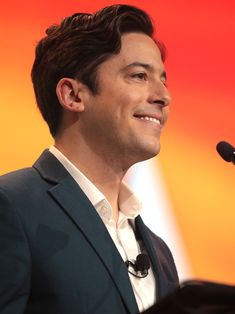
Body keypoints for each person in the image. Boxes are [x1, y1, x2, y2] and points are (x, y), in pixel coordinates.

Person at [0, 4, 179, 314]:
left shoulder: (159, 253)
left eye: (163, 80)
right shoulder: (12, 206)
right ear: (73, 96)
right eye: (139, 76)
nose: (163, 96)